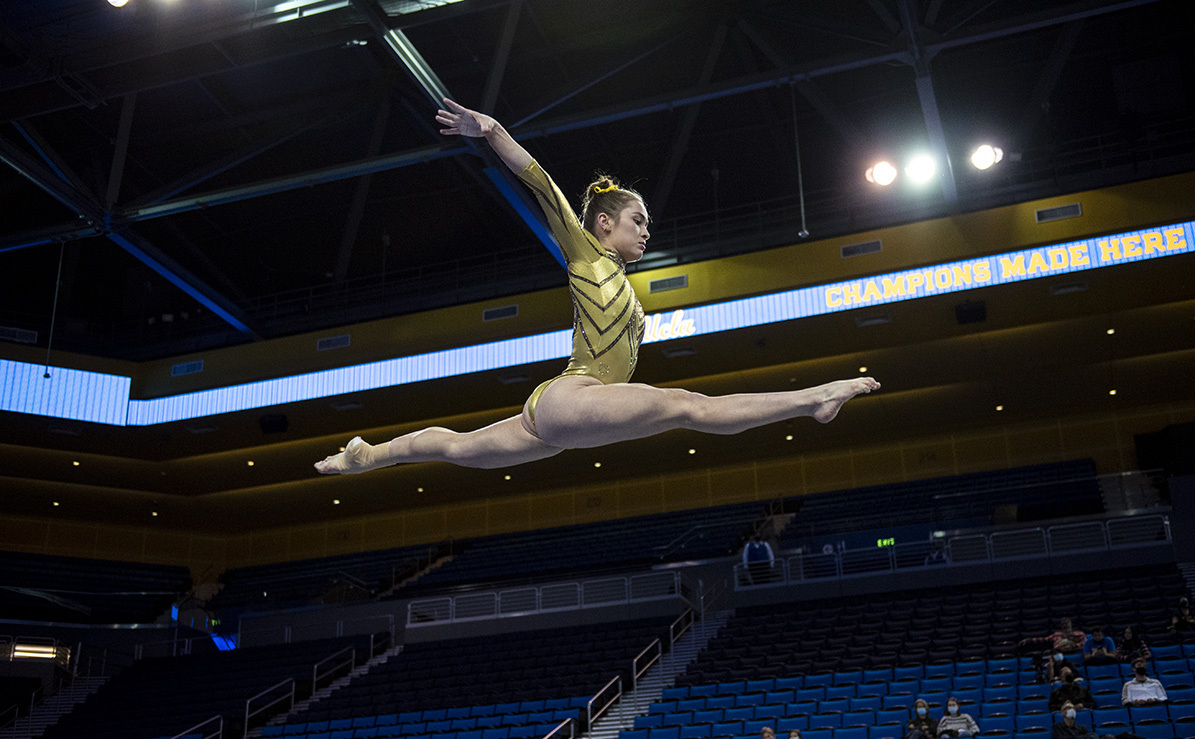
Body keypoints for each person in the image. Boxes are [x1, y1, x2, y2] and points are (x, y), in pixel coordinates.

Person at [314, 99, 880, 477]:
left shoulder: (626, 288)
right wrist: (491, 132)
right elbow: (542, 183)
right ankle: (813, 400)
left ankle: (365, 457)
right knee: (686, 405)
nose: (647, 230)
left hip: (560, 422)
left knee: (456, 447)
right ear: (604, 223)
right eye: (638, 220)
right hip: (572, 398)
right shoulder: (585, 254)